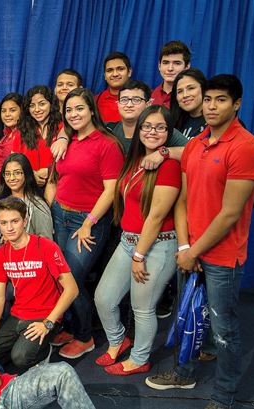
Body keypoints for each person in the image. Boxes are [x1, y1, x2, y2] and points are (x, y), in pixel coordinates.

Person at [145, 75, 254, 409]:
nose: (211, 106)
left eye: (220, 100)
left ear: (236, 104)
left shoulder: (246, 147)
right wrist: (185, 248)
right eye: (208, 99)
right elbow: (182, 199)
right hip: (190, 252)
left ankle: (224, 395)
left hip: (223, 257)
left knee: (224, 329)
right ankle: (183, 373)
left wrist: (194, 251)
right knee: (187, 319)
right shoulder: (196, 144)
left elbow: (229, 214)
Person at [94, 106, 181, 376]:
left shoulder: (169, 166)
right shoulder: (136, 159)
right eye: (147, 126)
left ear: (169, 132)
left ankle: (140, 358)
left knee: (142, 307)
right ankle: (119, 340)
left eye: (159, 127)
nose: (152, 132)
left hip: (156, 246)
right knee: (104, 298)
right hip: (128, 241)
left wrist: (139, 256)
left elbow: (155, 217)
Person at [43, 87, 124, 359]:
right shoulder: (67, 140)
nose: (74, 114)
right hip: (61, 215)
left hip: (87, 220)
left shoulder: (107, 144)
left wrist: (89, 222)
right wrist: (50, 213)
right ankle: (73, 325)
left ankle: (85, 337)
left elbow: (111, 190)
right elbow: (57, 179)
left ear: (92, 110)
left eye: (80, 108)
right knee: (61, 275)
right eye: (69, 110)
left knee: (72, 278)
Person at [0, 197, 79, 371]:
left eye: (15, 221)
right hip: (18, 314)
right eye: (4, 223)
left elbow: (72, 290)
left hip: (45, 316)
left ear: (25, 221)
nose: (9, 228)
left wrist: (48, 323)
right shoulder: (1, 253)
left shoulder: (46, 246)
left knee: (20, 358)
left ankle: (44, 351)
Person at [109, 80, 188, 168]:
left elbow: (193, 152)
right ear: (117, 104)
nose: (129, 104)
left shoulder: (160, 131)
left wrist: (163, 153)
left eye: (136, 100)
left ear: (149, 104)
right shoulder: (108, 130)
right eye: (124, 100)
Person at [0, 153, 53, 240]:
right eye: (7, 174)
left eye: (17, 173)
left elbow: (46, 241)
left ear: (26, 174)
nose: (12, 178)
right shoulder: (0, 201)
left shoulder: (38, 206)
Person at [22, 86, 60, 186]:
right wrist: (31, 174)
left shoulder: (63, 128)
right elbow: (14, 161)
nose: (37, 109)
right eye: (32, 105)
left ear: (51, 104)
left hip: (58, 186)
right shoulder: (22, 130)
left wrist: (51, 171)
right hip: (29, 187)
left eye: (42, 104)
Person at [0, 93, 23, 182]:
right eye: (3, 111)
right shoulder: (5, 135)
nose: (7, 114)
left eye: (12, 110)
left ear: (22, 111)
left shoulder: (26, 135)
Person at [151, 40, 191, 107]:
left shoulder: (190, 98)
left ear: (187, 67)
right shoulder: (150, 95)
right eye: (166, 63)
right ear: (159, 66)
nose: (170, 68)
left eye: (177, 63)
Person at [170, 68, 208, 140]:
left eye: (191, 88)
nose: (185, 95)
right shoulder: (173, 123)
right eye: (180, 91)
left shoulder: (214, 122)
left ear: (204, 89)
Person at [96, 52, 133, 122]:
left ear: (129, 72)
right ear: (105, 76)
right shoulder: (96, 100)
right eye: (109, 70)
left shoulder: (141, 99)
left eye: (120, 69)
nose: (115, 74)